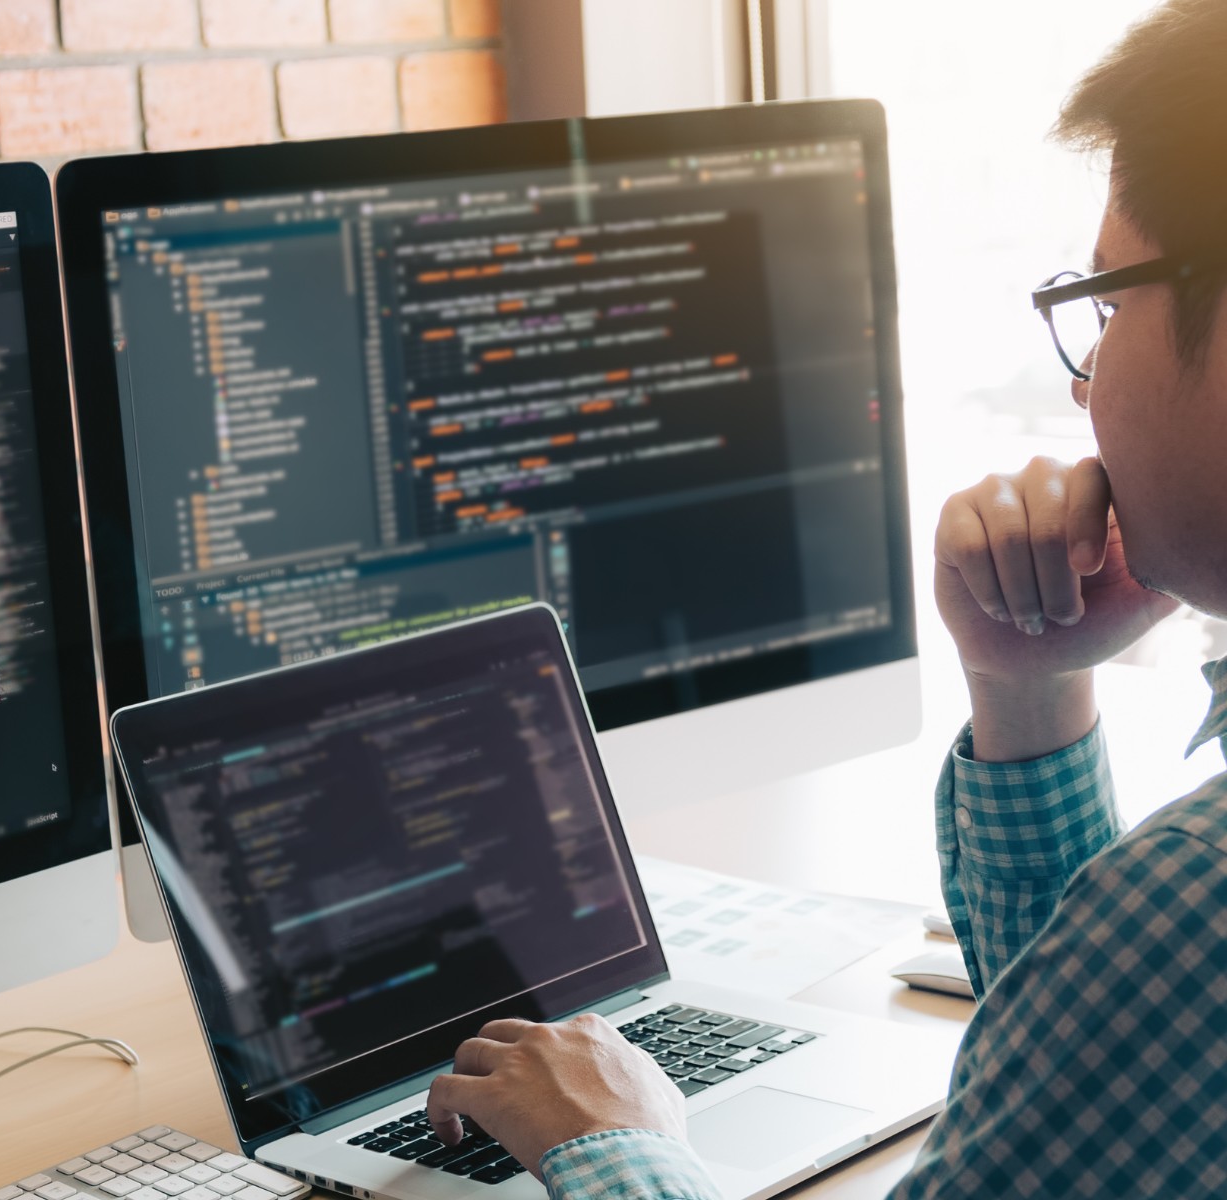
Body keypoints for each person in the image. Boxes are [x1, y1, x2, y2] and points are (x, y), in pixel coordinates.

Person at [419, 1, 1227, 1193]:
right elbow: (1085, 1080)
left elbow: (1135, 982)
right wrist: (1030, 687)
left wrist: (611, 1141)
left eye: (1109, 305)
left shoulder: (1191, 909)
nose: (1088, 383)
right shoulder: (1163, 935)